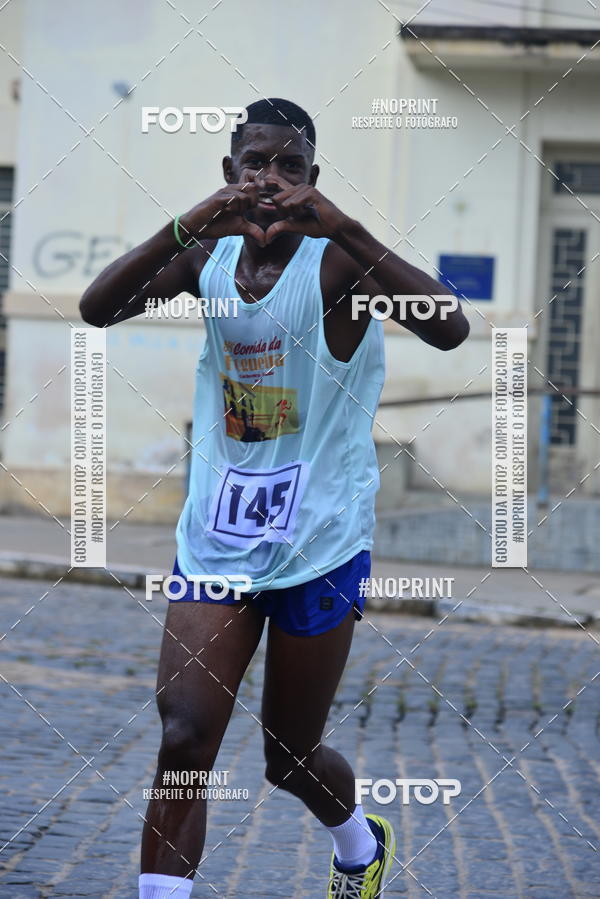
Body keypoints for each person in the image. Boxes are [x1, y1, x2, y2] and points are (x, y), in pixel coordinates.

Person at [80, 97, 469, 898]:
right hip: (218, 538)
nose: (271, 180)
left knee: (288, 754)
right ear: (230, 175)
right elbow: (97, 307)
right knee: (184, 738)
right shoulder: (207, 260)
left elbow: (450, 326)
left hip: (321, 541)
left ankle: (360, 844)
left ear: (313, 181)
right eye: (255, 163)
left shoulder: (338, 266)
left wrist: (344, 227)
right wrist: (188, 225)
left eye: (291, 167)